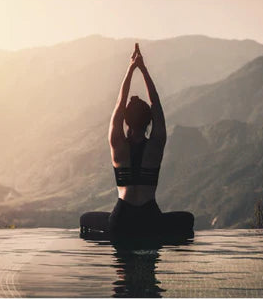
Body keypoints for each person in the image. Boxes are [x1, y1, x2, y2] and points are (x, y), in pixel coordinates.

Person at [80, 43, 194, 241]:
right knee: (188, 219)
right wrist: (143, 69)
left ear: (126, 120)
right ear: (149, 120)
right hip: (150, 220)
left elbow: (119, 103)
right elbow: (156, 103)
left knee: (85, 219)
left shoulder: (117, 143)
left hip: (121, 220)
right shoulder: (156, 144)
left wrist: (131, 68)